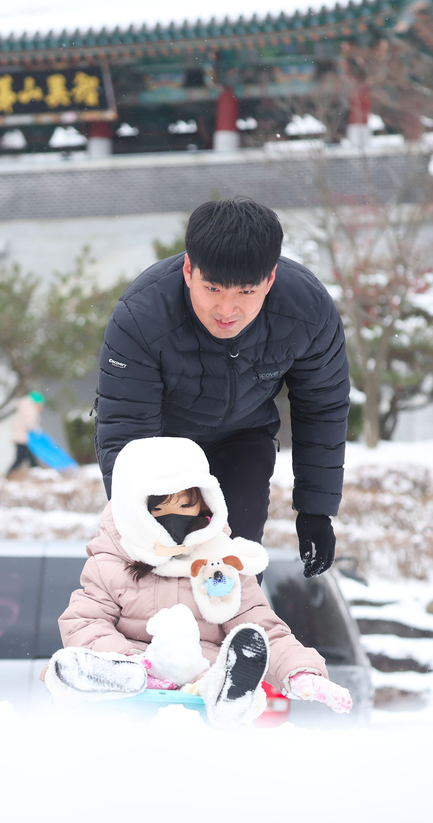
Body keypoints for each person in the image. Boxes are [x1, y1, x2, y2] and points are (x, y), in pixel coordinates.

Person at [96, 197, 350, 578]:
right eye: (212, 289)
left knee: (233, 561)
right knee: (161, 564)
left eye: (246, 293)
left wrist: (316, 509)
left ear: (270, 280)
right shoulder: (142, 316)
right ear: (188, 269)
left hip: (243, 439)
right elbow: (125, 429)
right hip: (161, 447)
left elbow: (322, 406)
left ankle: (236, 631)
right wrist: (137, 514)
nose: (227, 310)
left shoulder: (307, 310)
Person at [43, 437, 351, 728]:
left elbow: (261, 629)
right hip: (131, 690)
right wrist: (136, 662)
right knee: (68, 665)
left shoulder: (223, 562)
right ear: (134, 509)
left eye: (185, 505)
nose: (174, 516)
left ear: (204, 502)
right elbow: (84, 621)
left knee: (222, 684)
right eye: (159, 508)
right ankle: (108, 673)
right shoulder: (112, 560)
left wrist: (299, 670)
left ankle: (227, 693)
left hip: (197, 685)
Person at [6, 390, 45, 475]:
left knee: (26, 457)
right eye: (41, 404)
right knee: (22, 457)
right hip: (23, 437)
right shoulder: (29, 408)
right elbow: (29, 422)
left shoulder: (25, 406)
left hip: (21, 436)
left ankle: (36, 471)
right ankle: (8, 475)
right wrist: (35, 428)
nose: (41, 407)